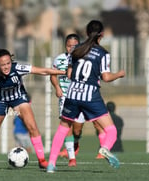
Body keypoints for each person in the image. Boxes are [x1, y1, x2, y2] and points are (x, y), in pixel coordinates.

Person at [0, 48, 66, 169]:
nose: (7, 67)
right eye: (3, 64)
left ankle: (42, 160)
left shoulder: (17, 68)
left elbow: (42, 71)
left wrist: (64, 73)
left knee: (32, 127)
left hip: (18, 99)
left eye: (8, 63)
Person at [47, 20, 125, 173]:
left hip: (72, 93)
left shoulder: (76, 50)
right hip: (91, 96)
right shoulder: (103, 53)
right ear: (101, 35)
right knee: (111, 130)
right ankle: (104, 149)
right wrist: (120, 74)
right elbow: (106, 77)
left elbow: (69, 74)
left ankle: (51, 164)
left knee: (63, 129)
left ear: (86, 33)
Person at [50, 34, 84, 167]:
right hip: (65, 96)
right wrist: (57, 87)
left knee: (77, 130)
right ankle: (72, 158)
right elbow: (52, 75)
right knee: (67, 125)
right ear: (65, 46)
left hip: (81, 96)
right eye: (69, 46)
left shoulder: (84, 59)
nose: (71, 48)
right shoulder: (59, 59)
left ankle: (75, 143)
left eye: (74, 46)